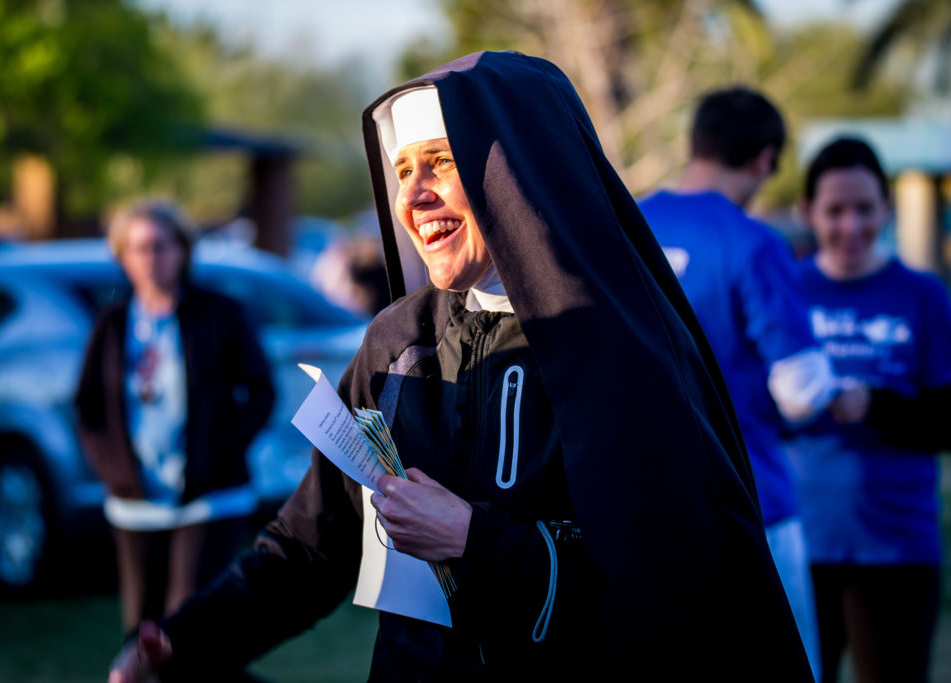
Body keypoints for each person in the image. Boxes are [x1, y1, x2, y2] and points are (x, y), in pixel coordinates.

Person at [108, 52, 812, 682]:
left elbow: (670, 589)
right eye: (402, 169)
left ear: (515, 170)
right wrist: (181, 640)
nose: (412, 197)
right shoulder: (395, 343)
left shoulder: (618, 353)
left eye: (441, 162)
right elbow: (311, 544)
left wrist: (477, 542)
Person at [639, 87, 846, 679]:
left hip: (641, 504)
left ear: (694, 145)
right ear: (765, 160)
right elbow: (801, 390)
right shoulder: (753, 242)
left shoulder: (620, 224)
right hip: (750, 499)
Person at [787, 137, 951, 683]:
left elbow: (944, 420)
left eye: (864, 209)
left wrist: (874, 405)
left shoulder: (924, 296)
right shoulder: (785, 288)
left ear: (887, 208)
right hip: (800, 541)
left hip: (897, 548)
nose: (851, 226)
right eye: (835, 211)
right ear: (808, 212)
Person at [75, 201, 276, 636]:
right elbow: (88, 408)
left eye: (161, 246)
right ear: (122, 257)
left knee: (188, 627)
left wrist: (220, 452)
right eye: (138, 248)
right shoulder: (112, 323)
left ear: (182, 251)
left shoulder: (219, 313)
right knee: (140, 630)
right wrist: (113, 469)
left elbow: (261, 391)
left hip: (208, 497)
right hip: (135, 502)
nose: (150, 258)